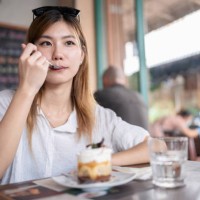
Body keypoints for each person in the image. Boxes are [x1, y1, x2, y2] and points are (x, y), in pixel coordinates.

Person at [0, 6, 149, 185]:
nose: (57, 54)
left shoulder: (98, 116)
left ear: (82, 56)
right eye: (46, 43)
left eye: (69, 43)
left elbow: (157, 146)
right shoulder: (5, 103)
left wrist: (100, 160)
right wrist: (27, 89)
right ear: (30, 52)